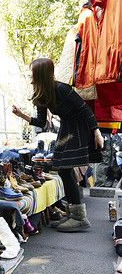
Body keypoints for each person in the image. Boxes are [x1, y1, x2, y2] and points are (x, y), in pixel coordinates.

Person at [12, 57, 103, 232]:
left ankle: (79, 218)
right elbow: (41, 123)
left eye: (31, 71)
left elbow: (85, 109)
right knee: (63, 170)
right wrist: (21, 114)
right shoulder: (41, 94)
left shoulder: (61, 88)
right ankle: (73, 214)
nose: (29, 74)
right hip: (66, 128)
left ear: (40, 73)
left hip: (79, 128)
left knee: (65, 169)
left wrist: (96, 132)